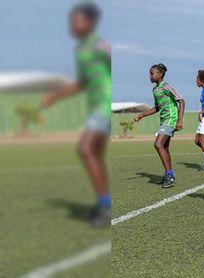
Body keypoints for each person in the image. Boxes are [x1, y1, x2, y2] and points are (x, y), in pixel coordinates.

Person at [41, 3, 111, 227]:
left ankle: (104, 205)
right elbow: (83, 83)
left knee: (85, 148)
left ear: (89, 23)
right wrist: (55, 97)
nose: (71, 24)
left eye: (76, 19)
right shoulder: (81, 49)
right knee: (95, 154)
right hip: (96, 106)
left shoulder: (100, 46)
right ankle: (104, 203)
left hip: (104, 105)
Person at [134, 63, 185, 188]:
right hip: (163, 120)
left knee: (158, 144)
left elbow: (181, 100)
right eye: (150, 74)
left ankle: (169, 175)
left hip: (171, 119)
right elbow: (157, 107)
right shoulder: (155, 89)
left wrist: (179, 120)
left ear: (160, 74)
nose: (150, 76)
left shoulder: (166, 87)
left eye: (152, 73)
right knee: (165, 147)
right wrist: (142, 115)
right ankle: (169, 174)